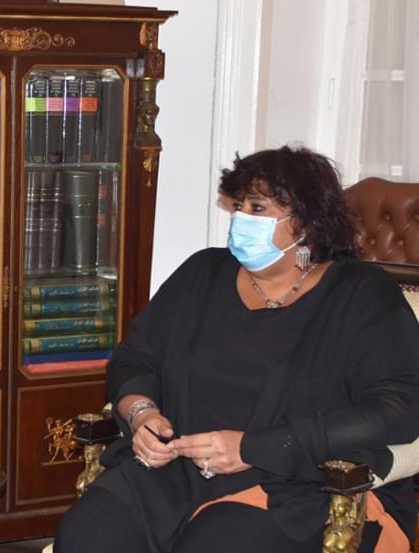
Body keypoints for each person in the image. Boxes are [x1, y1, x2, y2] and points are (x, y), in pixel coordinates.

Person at [55, 145, 419, 553]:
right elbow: (135, 358)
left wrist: (253, 448)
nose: (241, 219)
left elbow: (398, 408)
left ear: (306, 222)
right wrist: (142, 414)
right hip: (176, 469)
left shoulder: (363, 294)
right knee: (89, 533)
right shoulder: (203, 272)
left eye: (257, 208)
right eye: (238, 206)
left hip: (297, 483)